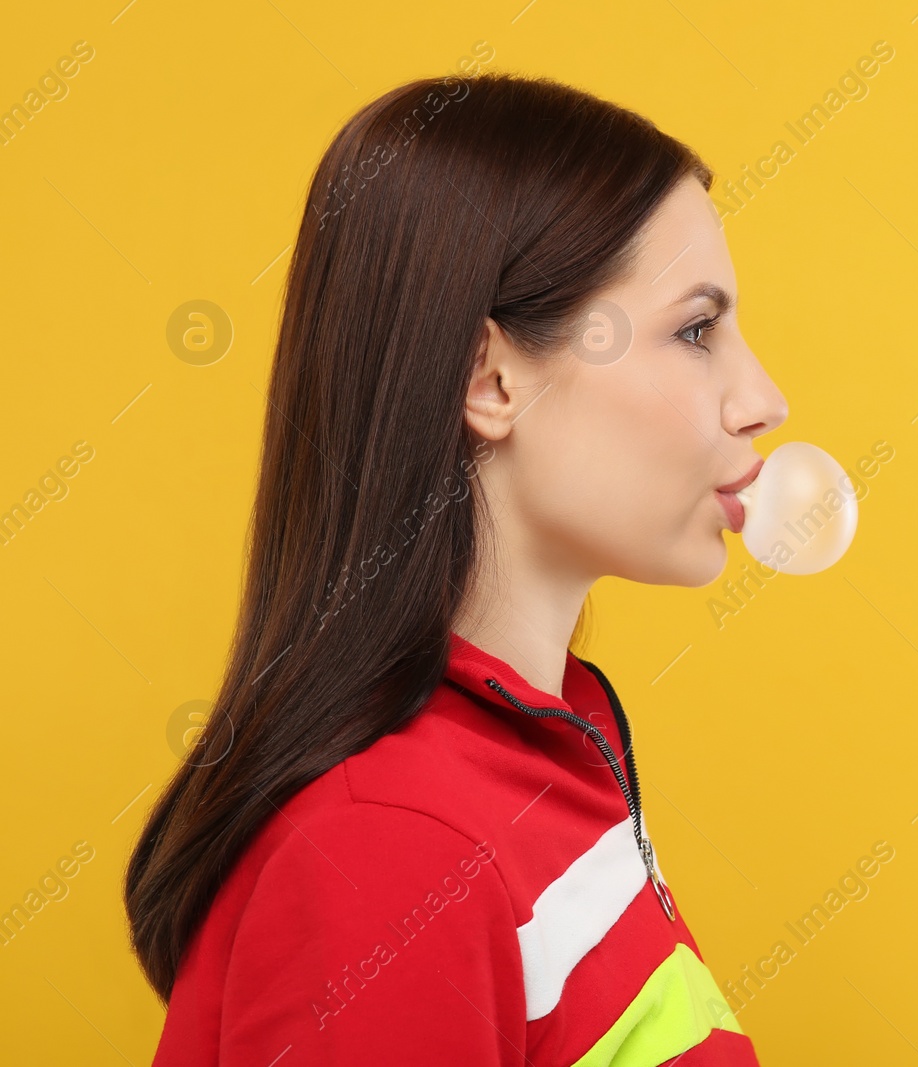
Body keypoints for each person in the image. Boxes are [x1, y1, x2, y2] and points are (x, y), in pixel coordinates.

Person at [124, 71, 786, 1065]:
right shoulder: (391, 851)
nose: (763, 398)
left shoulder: (543, 755)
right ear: (491, 377)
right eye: (695, 329)